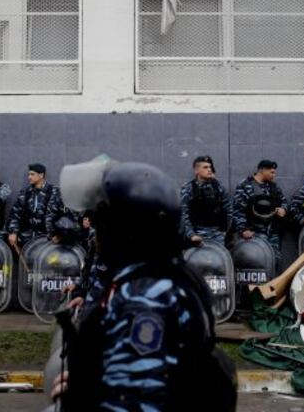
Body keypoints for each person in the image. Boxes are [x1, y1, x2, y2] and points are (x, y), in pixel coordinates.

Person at [53, 158, 236, 411]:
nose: (96, 236)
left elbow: (137, 403)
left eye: (101, 223)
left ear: (122, 230)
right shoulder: (166, 275)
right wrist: (92, 382)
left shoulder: (143, 299)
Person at [231, 160, 287, 264]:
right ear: (262, 170)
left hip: (272, 233)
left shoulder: (273, 187)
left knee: (274, 262)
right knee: (256, 262)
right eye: (272, 172)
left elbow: (283, 201)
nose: (274, 175)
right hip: (254, 233)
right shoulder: (245, 186)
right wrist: (243, 229)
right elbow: (238, 210)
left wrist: (283, 209)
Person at [6, 163, 60, 253]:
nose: (29, 177)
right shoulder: (25, 193)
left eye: (32, 174)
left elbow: (65, 214)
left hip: (48, 241)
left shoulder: (55, 192)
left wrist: (60, 234)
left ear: (41, 175)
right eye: (28, 174)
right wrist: (13, 232)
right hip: (26, 241)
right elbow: (15, 214)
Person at [179, 155, 231, 246]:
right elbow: (183, 214)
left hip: (217, 236)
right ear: (196, 171)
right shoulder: (188, 188)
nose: (209, 169)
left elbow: (229, 209)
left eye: (210, 167)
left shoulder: (219, 187)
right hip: (197, 236)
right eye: (205, 167)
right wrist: (191, 235)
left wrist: (225, 231)